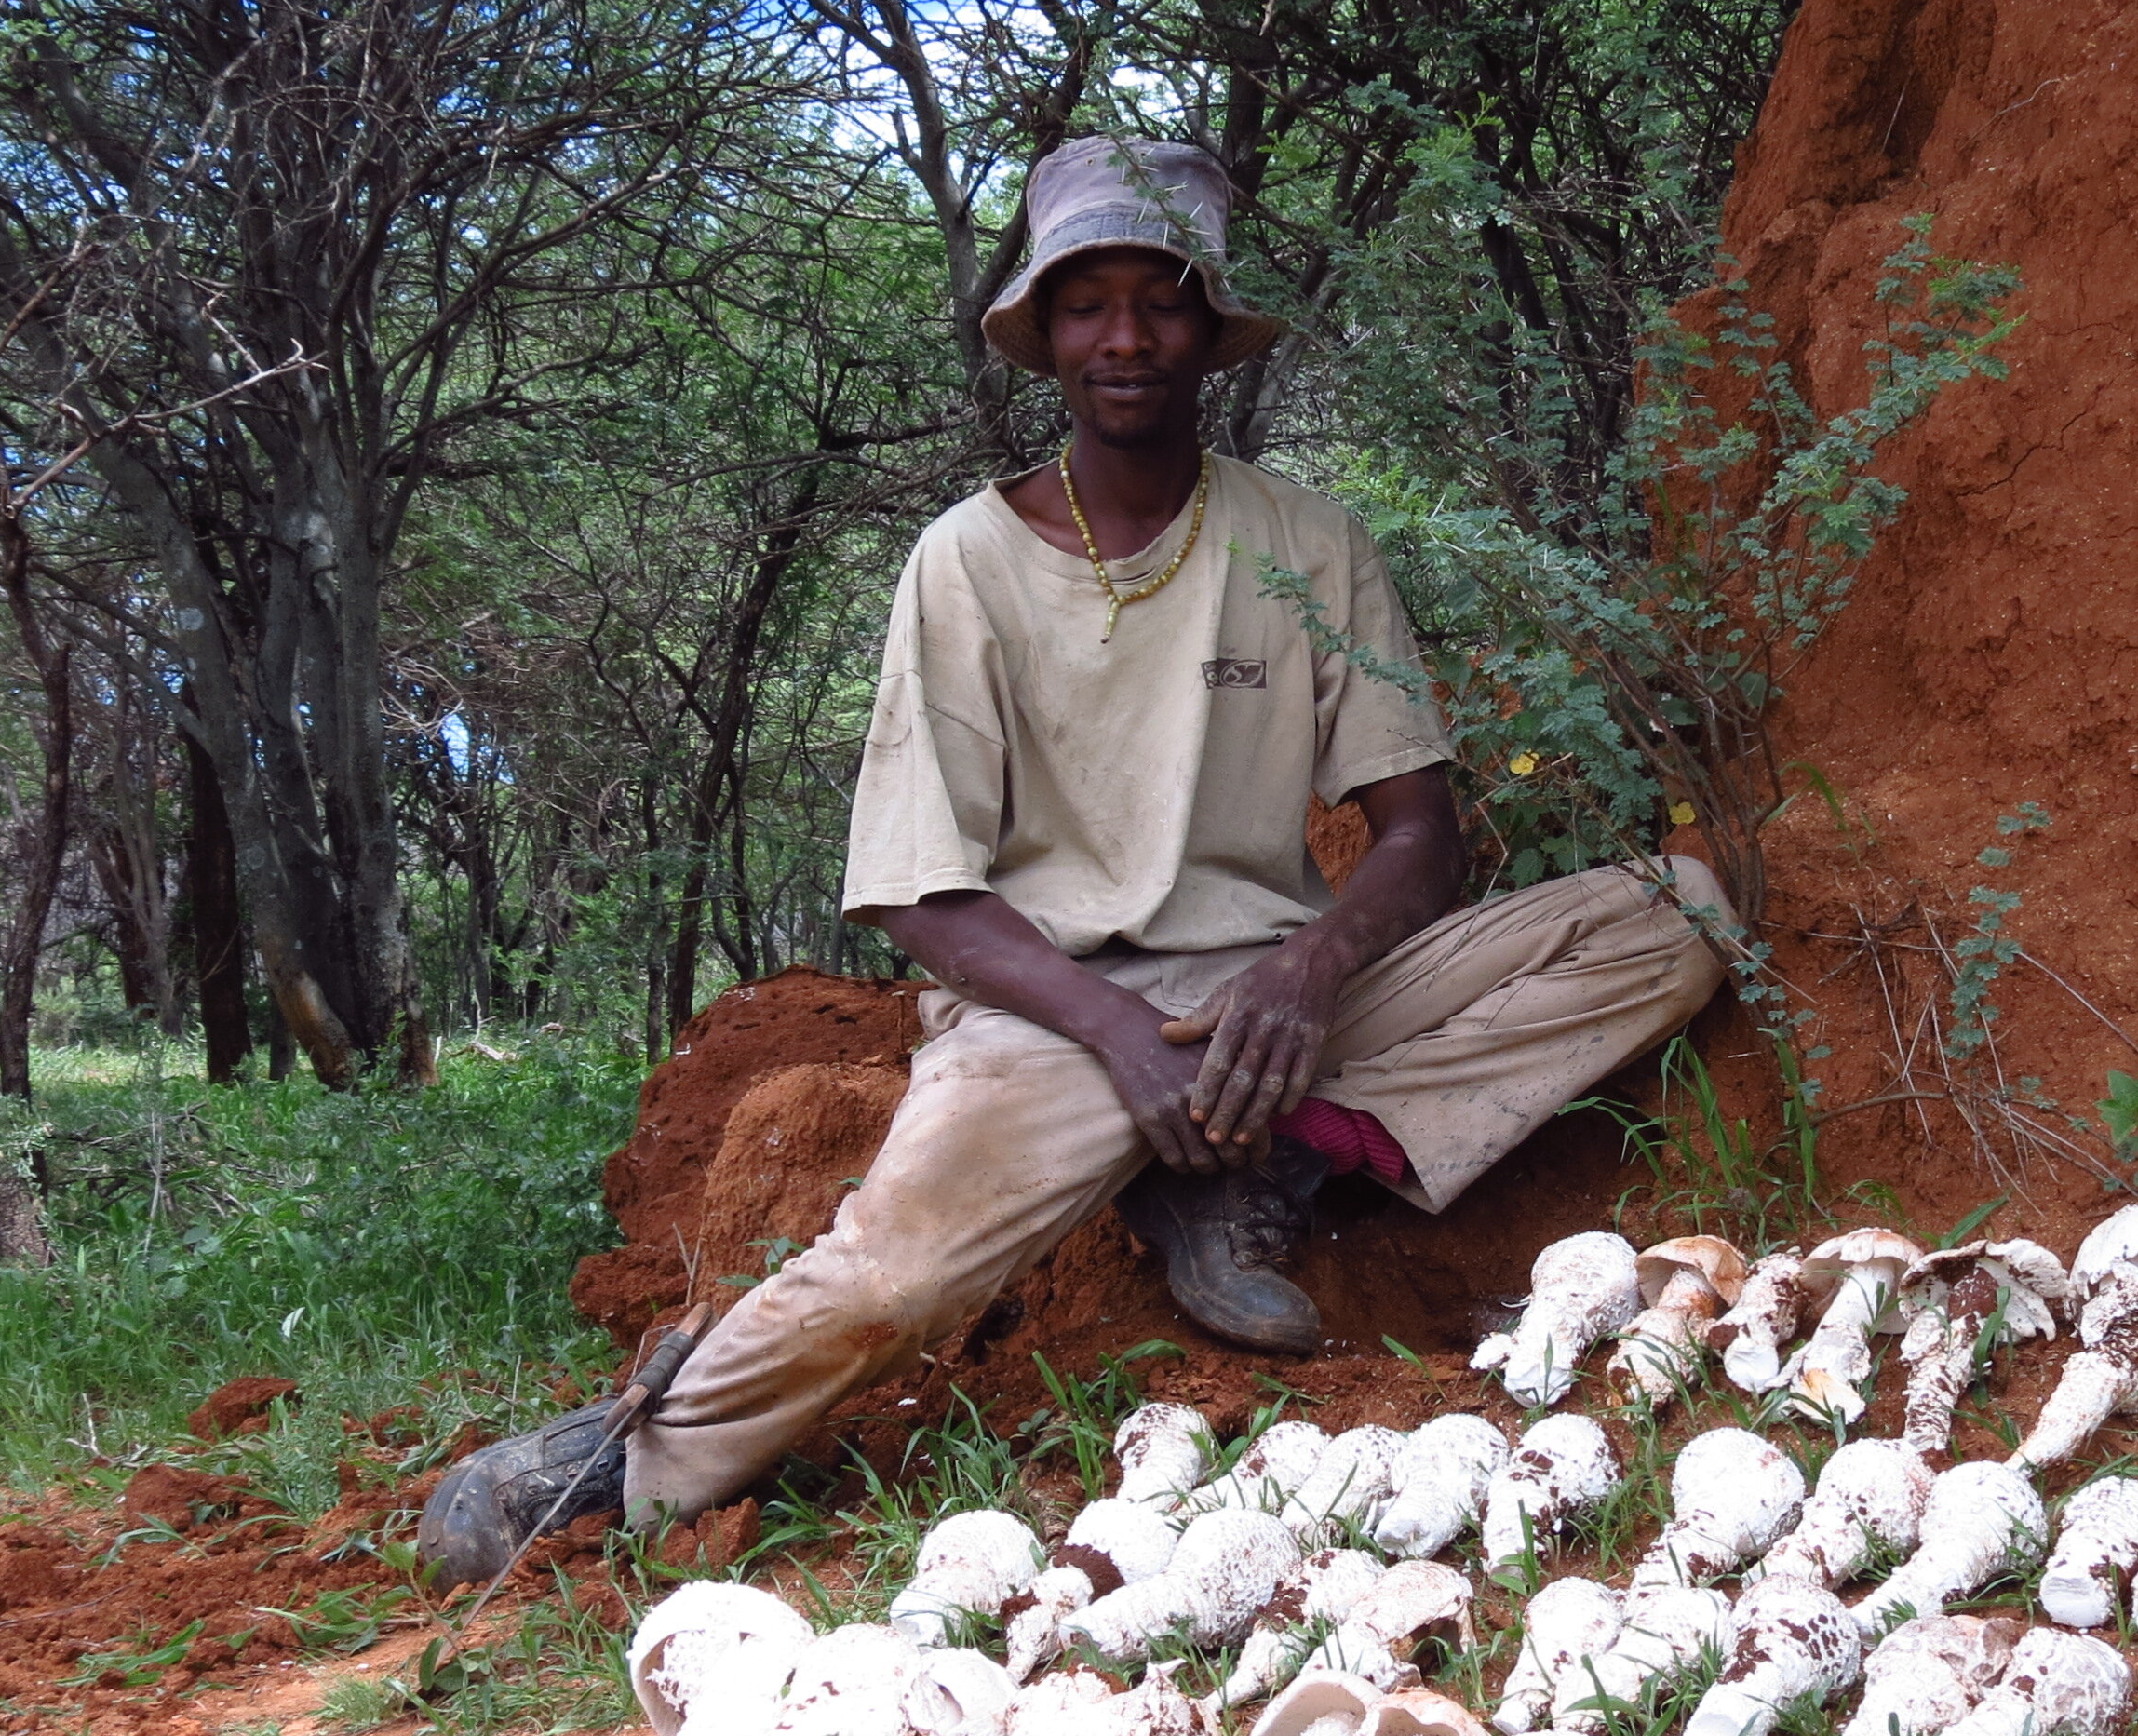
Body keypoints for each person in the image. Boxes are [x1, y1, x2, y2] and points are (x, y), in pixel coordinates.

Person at [420, 138, 1733, 1587]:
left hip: (1276, 1008)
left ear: (1208, 328)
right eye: (1086, 302)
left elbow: (1422, 829)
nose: (1125, 337)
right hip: (1054, 1005)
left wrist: (1306, 969)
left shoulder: (1306, 541)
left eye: (1160, 299)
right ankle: (632, 1457)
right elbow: (923, 888)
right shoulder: (967, 562)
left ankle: (1254, 1170)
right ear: (1043, 331)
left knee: (1668, 917)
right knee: (897, 1274)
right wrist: (1122, 1040)